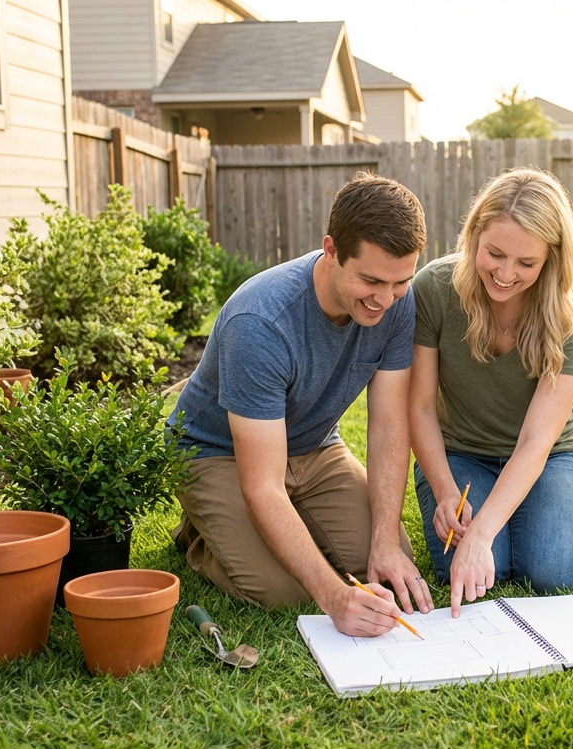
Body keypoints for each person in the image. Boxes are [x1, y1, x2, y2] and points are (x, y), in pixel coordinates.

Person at [170, 173, 434, 637]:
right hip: (216, 451)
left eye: (399, 282)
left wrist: (386, 541)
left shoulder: (396, 298)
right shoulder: (260, 322)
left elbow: (390, 425)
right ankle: (199, 534)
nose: (384, 299)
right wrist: (333, 597)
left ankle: (265, 530)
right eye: (370, 280)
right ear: (330, 250)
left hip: (313, 445)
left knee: (386, 562)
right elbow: (264, 485)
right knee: (283, 589)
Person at [409, 167, 573, 616]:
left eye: (526, 263)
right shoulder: (434, 290)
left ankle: (519, 517)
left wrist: (481, 531)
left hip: (549, 456)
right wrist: (445, 491)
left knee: (551, 572)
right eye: (494, 253)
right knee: (480, 568)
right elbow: (418, 408)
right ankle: (498, 523)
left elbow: (536, 439)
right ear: (474, 234)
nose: (506, 274)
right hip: (460, 455)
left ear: (551, 259)